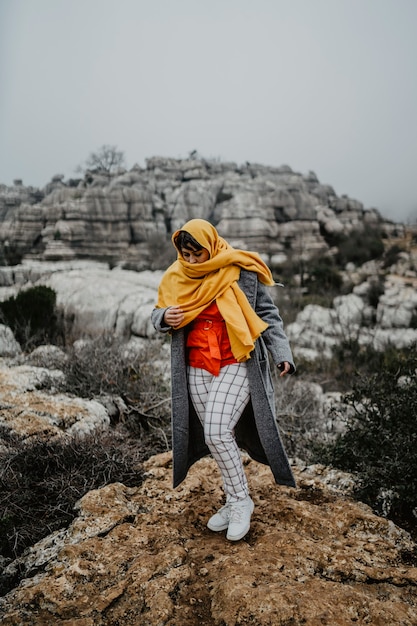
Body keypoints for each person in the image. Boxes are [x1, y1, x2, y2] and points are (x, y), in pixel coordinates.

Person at [151, 219, 296, 541]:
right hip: (196, 365)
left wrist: (281, 352)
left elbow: (268, 315)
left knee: (216, 431)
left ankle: (242, 503)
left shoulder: (240, 270)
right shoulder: (176, 276)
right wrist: (163, 318)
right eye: (184, 254)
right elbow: (158, 312)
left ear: (211, 247)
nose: (190, 261)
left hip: (237, 361)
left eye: (196, 254)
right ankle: (234, 500)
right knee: (218, 437)